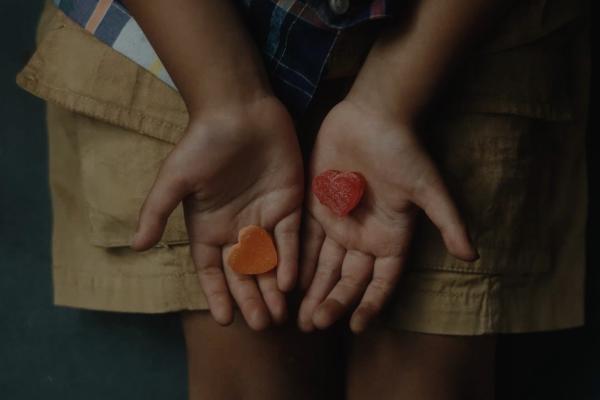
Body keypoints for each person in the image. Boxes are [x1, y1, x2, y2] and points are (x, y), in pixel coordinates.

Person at [17, 0, 589, 398]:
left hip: (464, 38)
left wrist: (392, 98)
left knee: (426, 381)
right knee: (252, 367)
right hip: (174, 37)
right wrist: (223, 98)